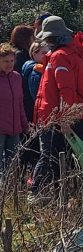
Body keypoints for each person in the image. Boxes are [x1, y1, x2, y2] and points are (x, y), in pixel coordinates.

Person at [30, 16, 83, 197]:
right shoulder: (76, 54)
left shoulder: (60, 56)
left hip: (60, 117)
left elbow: (65, 90)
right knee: (67, 158)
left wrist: (64, 119)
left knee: (56, 158)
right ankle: (68, 197)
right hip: (77, 114)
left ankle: (57, 198)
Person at [20, 42, 49, 172]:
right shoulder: (35, 72)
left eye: (48, 52)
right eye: (43, 52)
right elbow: (37, 97)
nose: (47, 55)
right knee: (35, 149)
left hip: (30, 113)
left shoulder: (36, 68)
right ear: (34, 53)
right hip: (34, 114)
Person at [0, 43, 28, 178]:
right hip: (0, 129)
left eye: (12, 61)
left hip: (15, 129)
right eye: (5, 61)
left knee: (12, 164)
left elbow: (19, 103)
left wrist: (24, 124)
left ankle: (11, 194)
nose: (9, 64)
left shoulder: (17, 77)